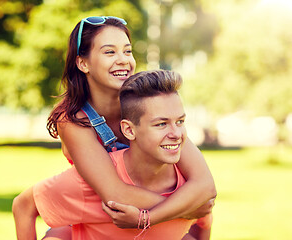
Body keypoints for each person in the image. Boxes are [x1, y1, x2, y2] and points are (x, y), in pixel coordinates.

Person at [12, 16, 216, 239]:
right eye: (110, 52)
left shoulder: (145, 103)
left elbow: (203, 183)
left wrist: (171, 212)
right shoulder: (72, 119)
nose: (123, 60)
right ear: (83, 63)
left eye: (127, 51)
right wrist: (186, 209)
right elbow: (115, 193)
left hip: (140, 210)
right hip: (92, 209)